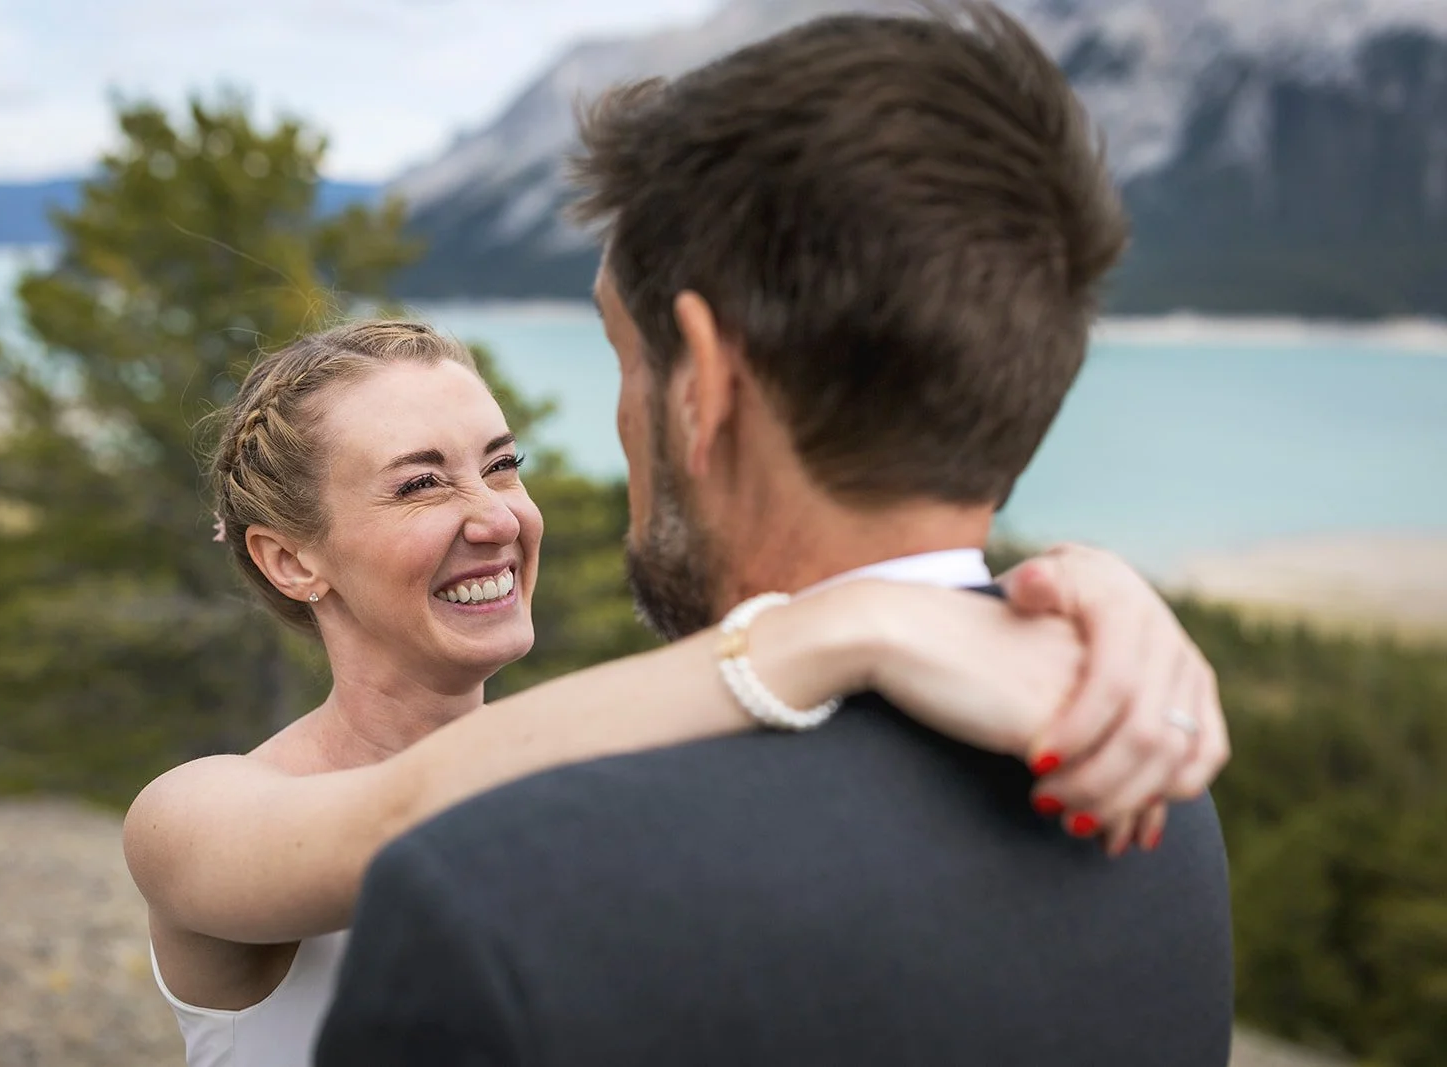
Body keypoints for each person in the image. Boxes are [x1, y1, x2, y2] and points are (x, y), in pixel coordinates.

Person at [315, 6, 1235, 1067]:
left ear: (703, 382)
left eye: (625, 353)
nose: (624, 416)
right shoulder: (1149, 778)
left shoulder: (497, 898)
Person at [126, 314, 1223, 1067]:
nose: (496, 515)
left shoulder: (593, 766)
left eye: (502, 463)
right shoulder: (192, 819)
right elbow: (402, 821)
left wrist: (1067, 591)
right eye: (422, 483)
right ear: (290, 559)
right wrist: (850, 624)